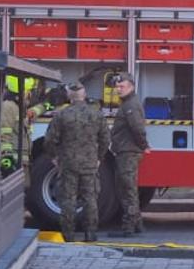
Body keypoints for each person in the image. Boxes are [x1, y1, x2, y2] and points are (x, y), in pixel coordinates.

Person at [45, 82, 107, 242]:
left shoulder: (61, 115)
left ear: (69, 96)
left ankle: (68, 235)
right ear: (84, 95)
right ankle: (90, 234)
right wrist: (99, 157)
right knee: (90, 198)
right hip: (90, 163)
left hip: (68, 163)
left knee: (68, 199)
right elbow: (105, 139)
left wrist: (55, 157)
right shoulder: (97, 115)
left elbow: (50, 140)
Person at [106, 73, 150, 234]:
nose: (118, 90)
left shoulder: (129, 105)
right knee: (127, 187)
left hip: (128, 152)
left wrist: (144, 145)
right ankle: (137, 223)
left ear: (131, 86)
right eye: (117, 87)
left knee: (126, 189)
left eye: (122, 86)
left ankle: (128, 227)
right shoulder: (128, 103)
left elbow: (138, 128)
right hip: (127, 150)